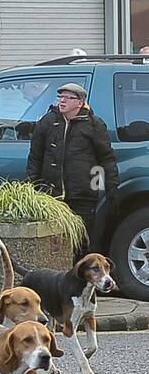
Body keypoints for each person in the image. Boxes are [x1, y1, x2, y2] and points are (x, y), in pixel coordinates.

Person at [26, 81, 119, 260]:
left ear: (80, 102)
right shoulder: (47, 121)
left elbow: (107, 158)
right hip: (51, 196)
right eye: (61, 96)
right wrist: (33, 187)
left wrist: (112, 189)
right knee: (54, 244)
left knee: (82, 244)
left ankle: (82, 283)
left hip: (82, 195)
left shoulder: (94, 124)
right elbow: (35, 157)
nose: (63, 101)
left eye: (69, 98)